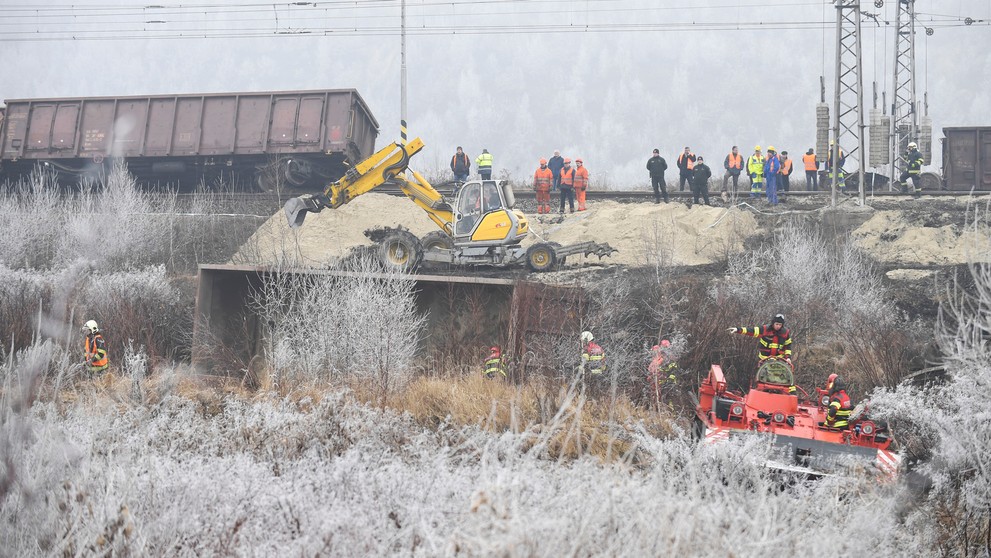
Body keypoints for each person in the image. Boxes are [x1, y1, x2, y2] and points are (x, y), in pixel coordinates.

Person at [726, 313, 793, 363]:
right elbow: (751, 330)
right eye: (777, 324)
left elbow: (788, 346)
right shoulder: (765, 329)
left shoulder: (785, 332)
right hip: (764, 359)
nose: (778, 326)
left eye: (780, 325)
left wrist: (788, 358)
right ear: (773, 323)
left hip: (779, 360)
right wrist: (738, 330)